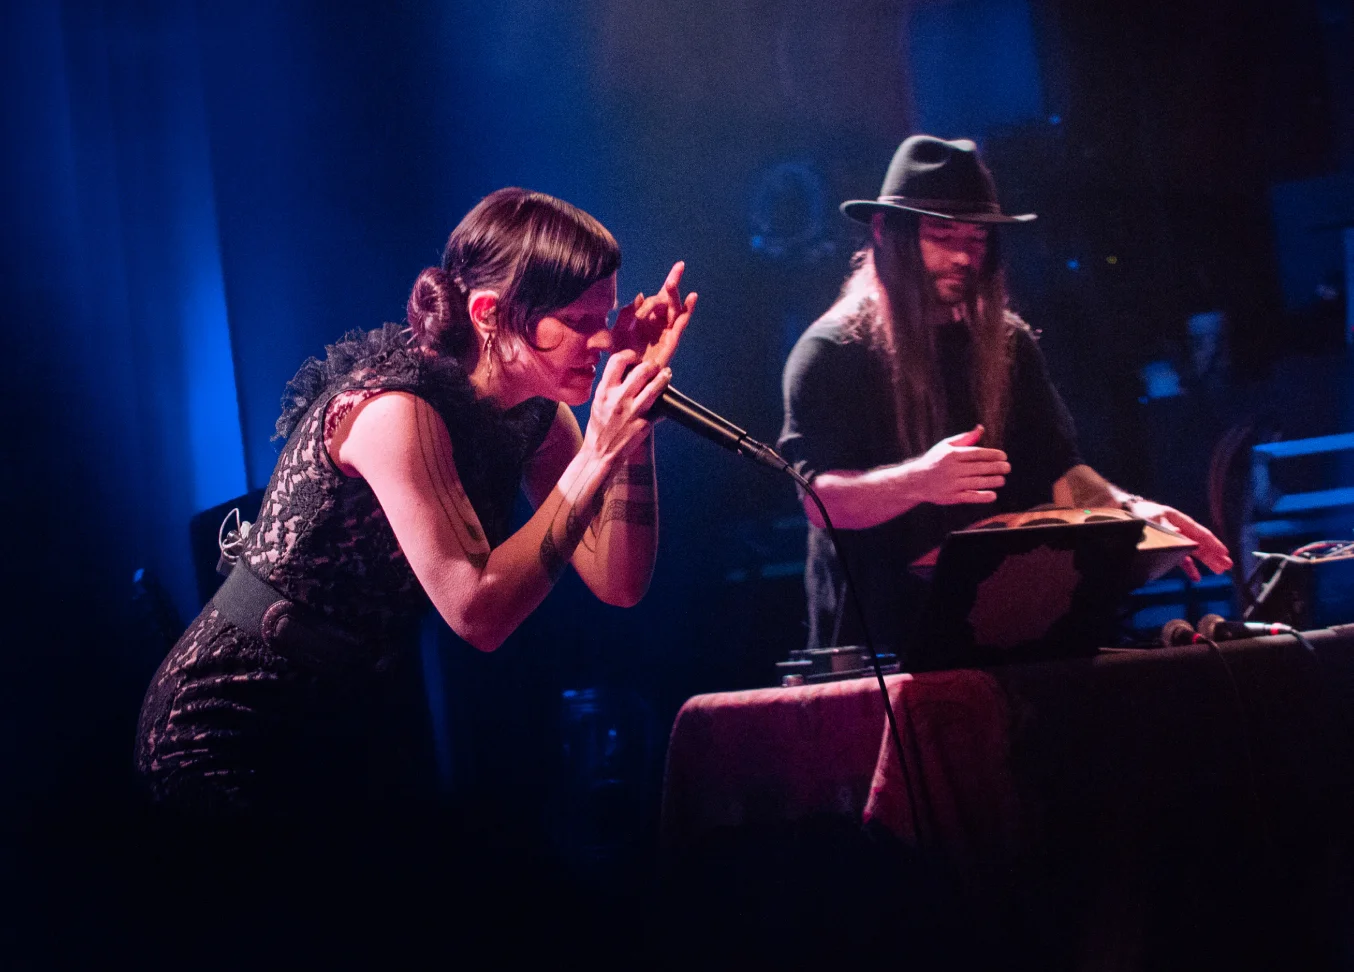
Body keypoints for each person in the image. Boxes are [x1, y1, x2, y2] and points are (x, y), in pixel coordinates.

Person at [135, 188, 695, 821]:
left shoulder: (538, 413)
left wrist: (635, 415)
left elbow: (618, 583)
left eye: (606, 316)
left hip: (344, 720)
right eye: (578, 320)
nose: (603, 340)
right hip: (223, 724)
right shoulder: (397, 409)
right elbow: (478, 614)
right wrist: (597, 452)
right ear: (488, 313)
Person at [778, 136, 1231, 658]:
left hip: (1002, 635)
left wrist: (1134, 514)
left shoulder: (1006, 341)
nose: (963, 256)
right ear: (884, 230)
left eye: (977, 239)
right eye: (941, 235)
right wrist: (920, 481)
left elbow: (1058, 470)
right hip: (880, 651)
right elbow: (821, 501)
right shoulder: (832, 351)